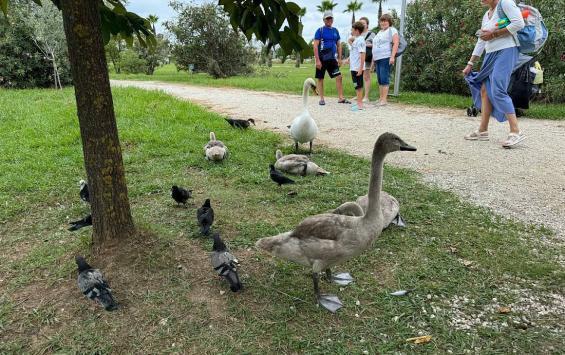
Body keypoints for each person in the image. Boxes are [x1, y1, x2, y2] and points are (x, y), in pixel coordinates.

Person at [463, 0, 526, 148]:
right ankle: (483, 130)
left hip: (507, 50)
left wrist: (494, 34)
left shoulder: (506, 3)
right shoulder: (487, 14)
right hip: (490, 54)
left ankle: (516, 131)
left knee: (498, 89)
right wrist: (470, 63)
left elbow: (519, 24)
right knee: (485, 90)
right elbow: (481, 41)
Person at [313, 10, 350, 106]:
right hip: (321, 58)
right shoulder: (320, 30)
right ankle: (321, 98)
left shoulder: (335, 31)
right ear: (324, 20)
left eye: (330, 18)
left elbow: (339, 45)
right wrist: (317, 60)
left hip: (332, 58)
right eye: (327, 18)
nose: (329, 20)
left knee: (339, 76)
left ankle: (341, 98)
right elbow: (315, 46)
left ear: (333, 19)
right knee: (321, 78)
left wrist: (340, 58)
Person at [371, 14, 399, 106]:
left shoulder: (392, 30)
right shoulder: (379, 32)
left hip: (385, 57)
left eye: (385, 21)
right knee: (379, 79)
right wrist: (373, 59)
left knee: (384, 78)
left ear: (389, 22)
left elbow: (395, 43)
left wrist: (392, 56)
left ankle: (384, 100)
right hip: (378, 58)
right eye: (382, 21)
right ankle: (381, 98)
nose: (383, 22)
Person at [349, 21, 367, 111]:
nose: (351, 31)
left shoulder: (360, 40)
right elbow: (354, 52)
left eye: (352, 29)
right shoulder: (356, 40)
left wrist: (360, 68)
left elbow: (362, 54)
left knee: (359, 86)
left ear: (356, 30)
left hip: (357, 68)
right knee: (356, 86)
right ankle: (358, 103)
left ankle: (360, 104)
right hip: (353, 67)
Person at [359, 17, 375, 102]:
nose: (362, 24)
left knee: (366, 77)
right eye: (360, 23)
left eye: (363, 23)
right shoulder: (358, 34)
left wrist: (366, 44)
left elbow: (376, 45)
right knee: (358, 77)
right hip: (358, 58)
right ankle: (359, 95)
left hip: (367, 57)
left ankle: (366, 97)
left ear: (367, 24)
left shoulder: (371, 34)